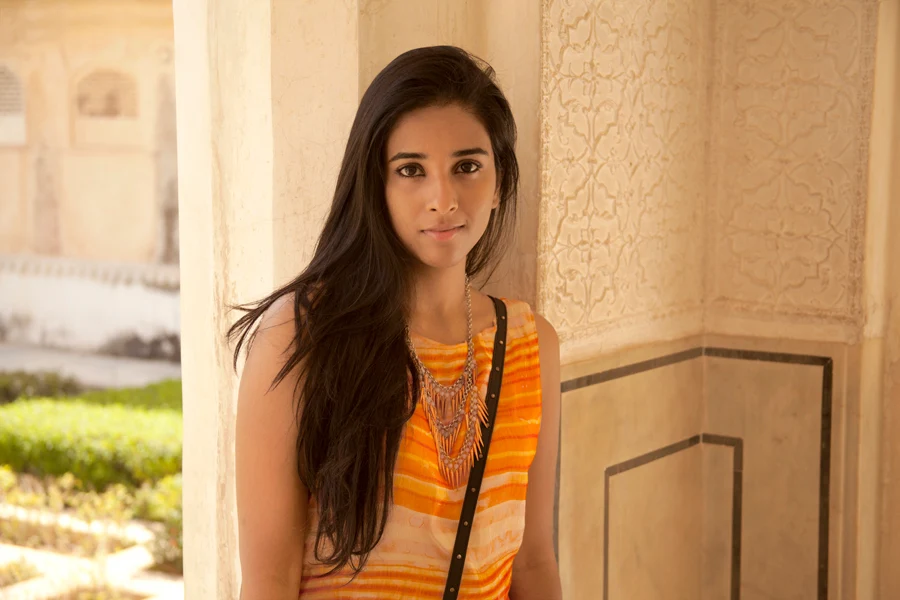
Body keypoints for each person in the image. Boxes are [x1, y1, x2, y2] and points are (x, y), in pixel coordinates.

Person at [230, 45, 562, 600]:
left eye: (467, 166)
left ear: (500, 182)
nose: (443, 198)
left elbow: (533, 563)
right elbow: (268, 580)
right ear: (375, 186)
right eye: (411, 170)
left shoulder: (530, 345)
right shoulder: (300, 337)